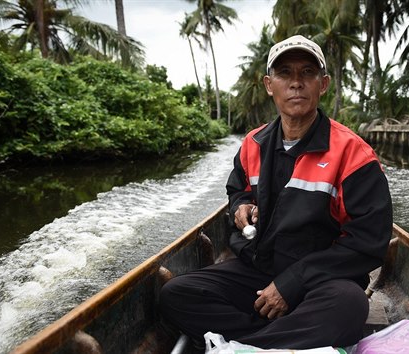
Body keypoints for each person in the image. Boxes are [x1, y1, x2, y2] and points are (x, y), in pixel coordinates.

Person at [159, 34, 392, 350]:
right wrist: (240, 205)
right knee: (176, 294)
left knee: (348, 306)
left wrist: (292, 283)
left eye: (307, 73)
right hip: (259, 270)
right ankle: (275, 341)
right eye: (285, 73)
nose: (296, 83)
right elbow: (237, 189)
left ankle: (242, 346)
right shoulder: (252, 144)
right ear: (270, 84)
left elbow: (367, 243)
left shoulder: (354, 154)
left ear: (322, 84)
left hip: (322, 280)